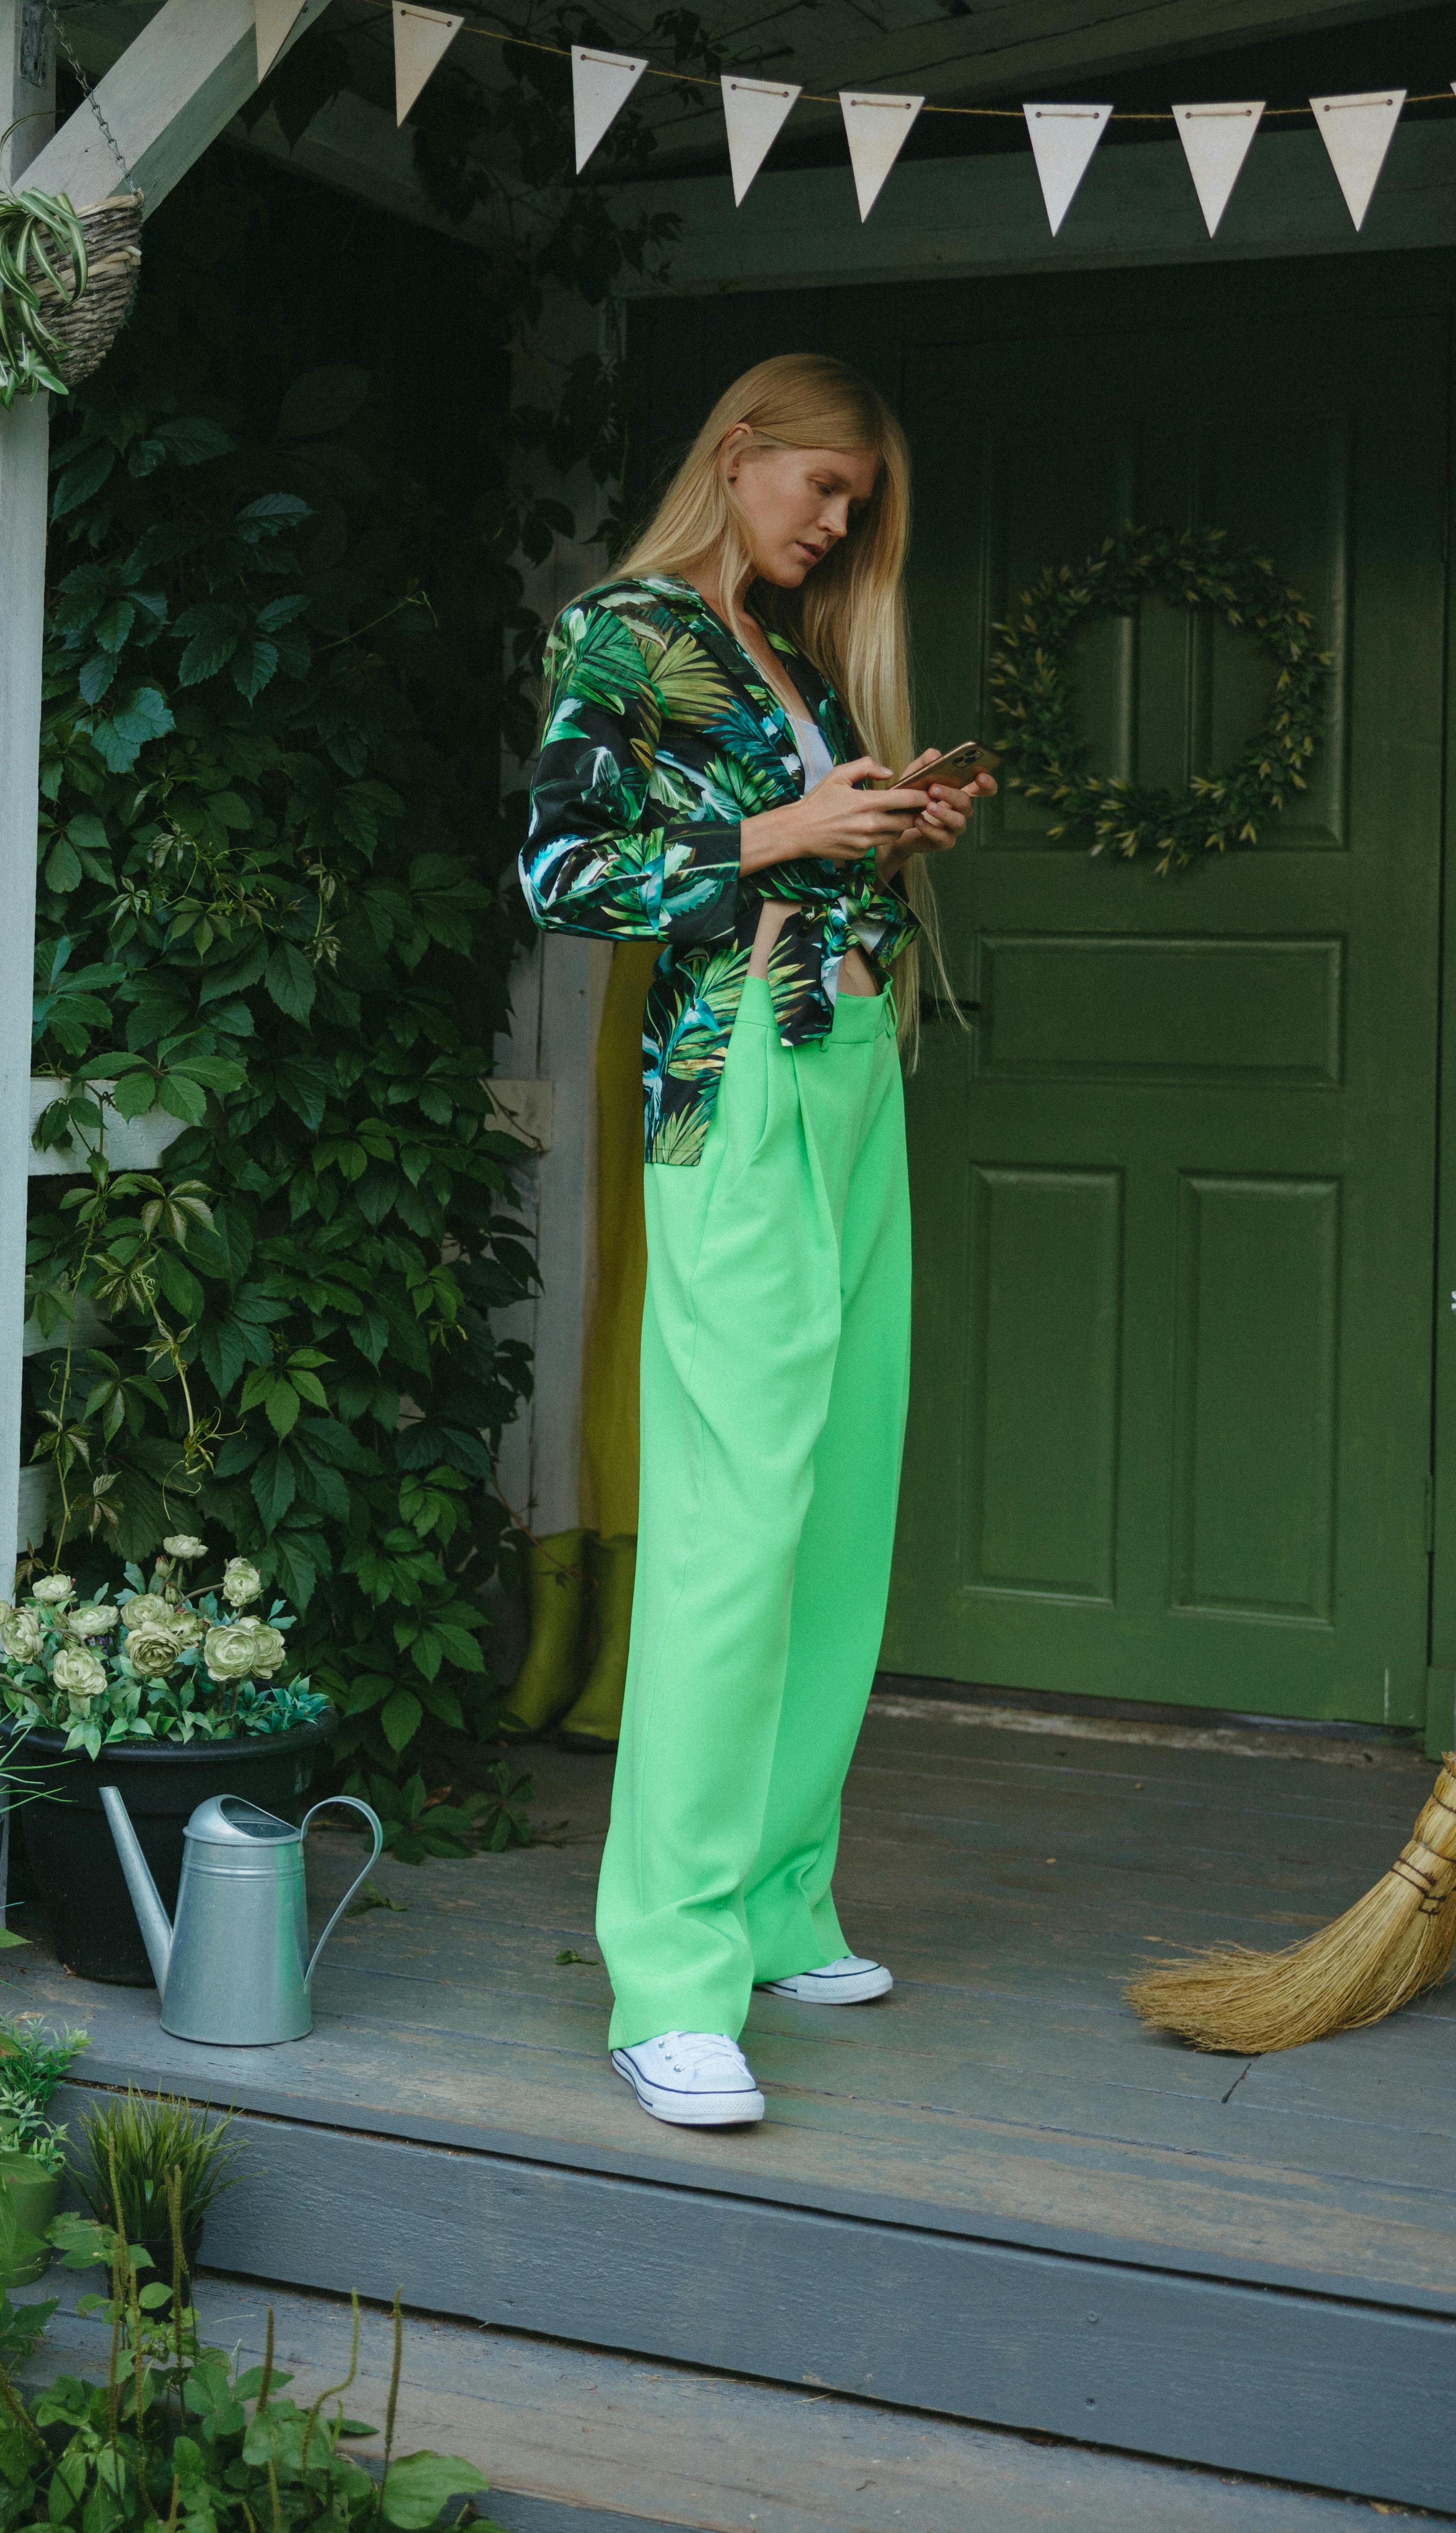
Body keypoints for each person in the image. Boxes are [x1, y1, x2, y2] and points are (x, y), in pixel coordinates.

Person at [517, 354, 991, 2132]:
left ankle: (783, 1899)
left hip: (857, 1076)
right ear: (739, 456)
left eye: (857, 504)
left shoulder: (788, 654)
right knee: (733, 1527)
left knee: (840, 1509)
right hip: (741, 1100)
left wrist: (886, 829)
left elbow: (789, 869)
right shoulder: (629, 634)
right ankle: (670, 1974)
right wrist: (789, 826)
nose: (839, 522)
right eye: (823, 488)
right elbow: (564, 877)